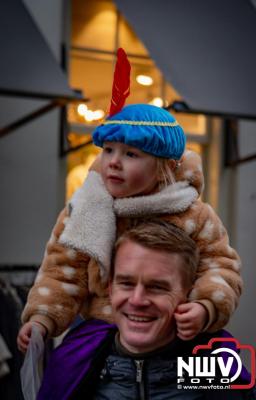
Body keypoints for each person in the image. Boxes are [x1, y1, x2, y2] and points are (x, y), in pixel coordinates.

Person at [18, 49, 242, 352]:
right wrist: (42, 319)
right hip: (100, 339)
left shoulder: (193, 214)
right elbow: (60, 273)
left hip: (172, 335)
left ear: (163, 166)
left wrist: (205, 308)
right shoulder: (84, 209)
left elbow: (220, 267)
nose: (113, 162)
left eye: (131, 154)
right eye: (108, 150)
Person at [36, 220, 256, 400]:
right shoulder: (74, 369)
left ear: (188, 293)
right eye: (126, 283)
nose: (137, 300)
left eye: (157, 287)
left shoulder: (215, 375)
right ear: (110, 289)